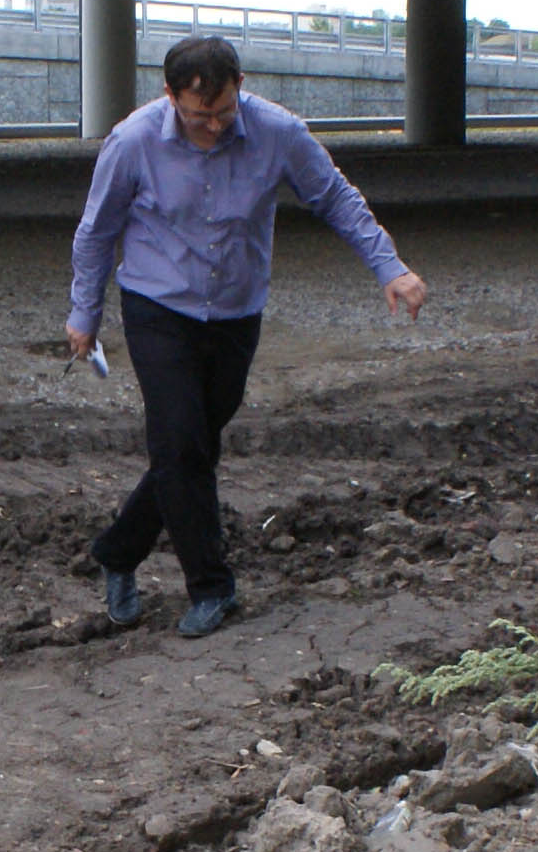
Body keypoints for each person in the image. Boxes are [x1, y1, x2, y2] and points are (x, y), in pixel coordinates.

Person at [66, 33, 430, 636]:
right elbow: (97, 231)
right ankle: (212, 587)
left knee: (193, 447)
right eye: (196, 114)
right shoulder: (132, 141)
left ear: (242, 85)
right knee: (180, 444)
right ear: (170, 96)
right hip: (158, 307)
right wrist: (85, 313)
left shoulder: (278, 132)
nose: (211, 126)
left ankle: (117, 551)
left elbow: (335, 197)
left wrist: (389, 266)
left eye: (222, 111)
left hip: (236, 312)